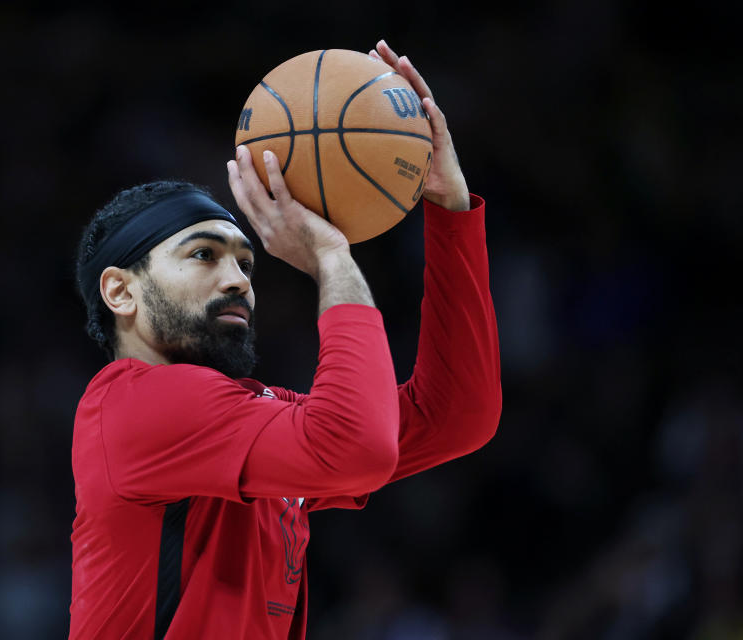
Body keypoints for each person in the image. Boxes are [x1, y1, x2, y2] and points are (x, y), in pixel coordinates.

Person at [68, 40, 501, 639]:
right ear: (121, 292)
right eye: (203, 255)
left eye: (247, 262)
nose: (238, 280)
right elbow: (358, 446)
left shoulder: (234, 421)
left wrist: (448, 209)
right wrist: (330, 257)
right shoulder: (130, 405)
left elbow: (457, 416)